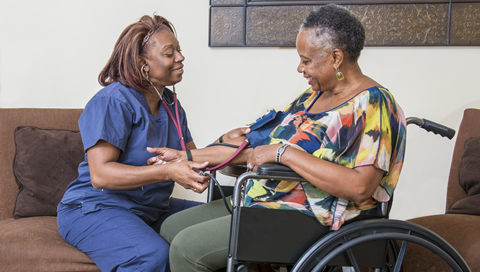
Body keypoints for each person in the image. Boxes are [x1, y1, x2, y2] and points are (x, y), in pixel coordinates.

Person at [148, 4, 407, 272]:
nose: (300, 68)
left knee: (186, 250)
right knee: (170, 227)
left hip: (312, 218)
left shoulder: (374, 104)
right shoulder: (312, 96)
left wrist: (285, 153)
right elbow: (253, 148)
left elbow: (360, 187)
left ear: (336, 58)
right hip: (265, 202)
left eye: (306, 61)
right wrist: (184, 156)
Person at [55, 14, 243, 272]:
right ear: (142, 63)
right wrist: (166, 171)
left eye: (179, 49)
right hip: (94, 208)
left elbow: (187, 157)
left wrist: (223, 141)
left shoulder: (172, 105)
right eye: (170, 53)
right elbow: (100, 175)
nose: (181, 57)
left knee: (224, 223)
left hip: (149, 208)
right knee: (153, 256)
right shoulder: (113, 101)